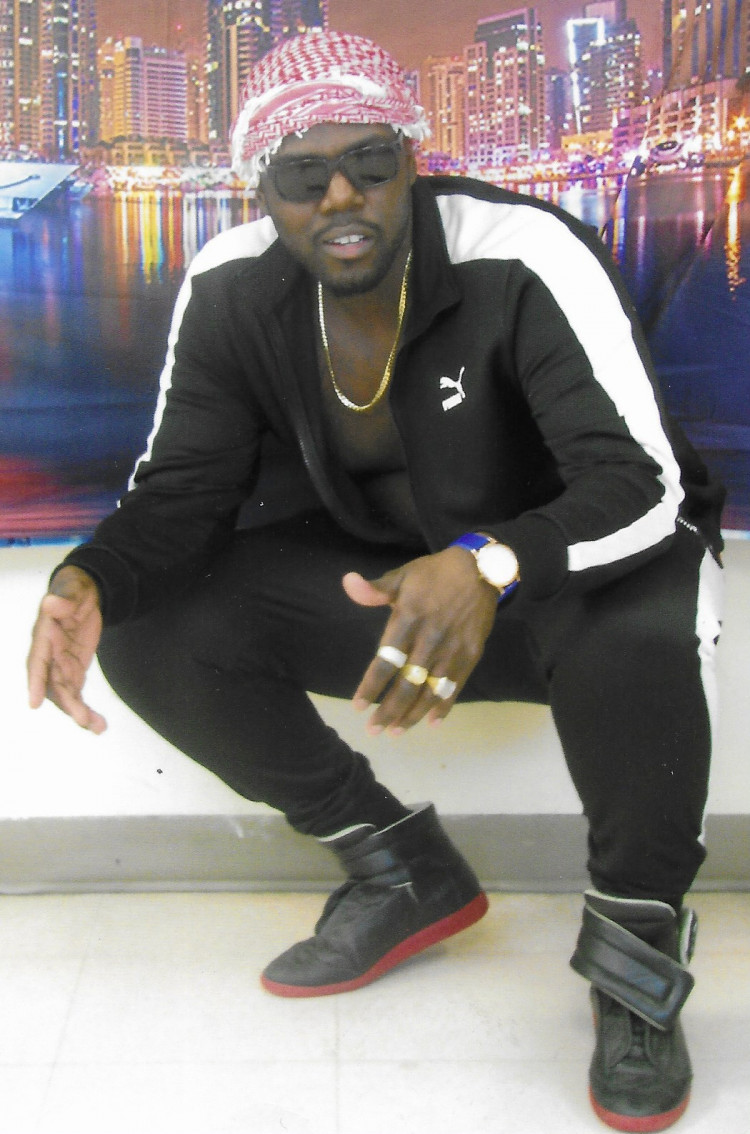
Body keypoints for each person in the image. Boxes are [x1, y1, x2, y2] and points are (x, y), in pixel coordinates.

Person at [27, 30, 725, 1133]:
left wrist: (489, 561)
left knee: (641, 626)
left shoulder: (522, 252)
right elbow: (182, 491)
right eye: (304, 175)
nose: (342, 196)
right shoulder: (232, 285)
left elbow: (642, 486)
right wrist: (88, 577)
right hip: (401, 601)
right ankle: (403, 872)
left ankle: (636, 952)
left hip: (558, 583)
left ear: (415, 159)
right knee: (149, 624)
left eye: (370, 161)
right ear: (264, 189)